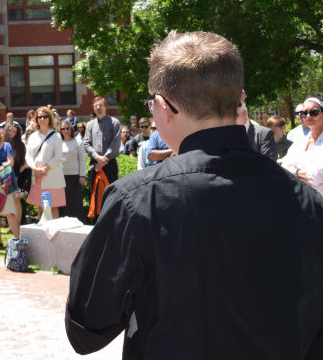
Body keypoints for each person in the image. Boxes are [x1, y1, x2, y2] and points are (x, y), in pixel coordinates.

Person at [65, 31, 323, 359]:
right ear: (237, 99)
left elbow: (85, 329)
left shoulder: (139, 200)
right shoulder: (308, 201)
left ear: (163, 106)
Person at [26, 106, 65, 219]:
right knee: (40, 206)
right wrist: (35, 169)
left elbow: (58, 156)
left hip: (52, 176)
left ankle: (55, 233)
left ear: (49, 118)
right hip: (37, 176)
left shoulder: (56, 135)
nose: (42, 119)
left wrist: (44, 169)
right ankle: (42, 233)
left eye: (45, 116)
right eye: (39, 117)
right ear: (36, 119)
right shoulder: (33, 136)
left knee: (53, 206)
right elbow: (28, 156)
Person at [83, 97, 120, 212]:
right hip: (95, 165)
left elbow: (115, 144)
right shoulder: (90, 125)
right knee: (95, 196)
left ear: (106, 107)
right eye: (96, 106)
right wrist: (97, 157)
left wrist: (103, 161)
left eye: (100, 105)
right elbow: (86, 144)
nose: (98, 108)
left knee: (111, 196)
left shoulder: (114, 123)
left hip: (109, 165)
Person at [282, 96, 323, 196]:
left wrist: (295, 172)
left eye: (314, 112)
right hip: (303, 199)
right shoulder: (299, 142)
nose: (308, 116)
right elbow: (284, 167)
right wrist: (302, 174)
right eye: (304, 113)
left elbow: (318, 175)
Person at [58, 121, 87, 222]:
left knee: (75, 203)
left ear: (71, 128)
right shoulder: (58, 142)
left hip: (75, 177)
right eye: (63, 128)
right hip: (60, 177)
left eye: (67, 128)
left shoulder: (78, 141)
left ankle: (78, 224)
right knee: (62, 204)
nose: (65, 130)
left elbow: (82, 159)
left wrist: (82, 175)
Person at [4, 121, 26, 227]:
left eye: (14, 131)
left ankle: (16, 225)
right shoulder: (1, 143)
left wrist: (18, 177)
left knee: (15, 200)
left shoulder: (20, 145)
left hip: (16, 174)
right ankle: (10, 225)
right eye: (9, 130)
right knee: (6, 201)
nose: (11, 133)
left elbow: (23, 164)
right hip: (3, 174)